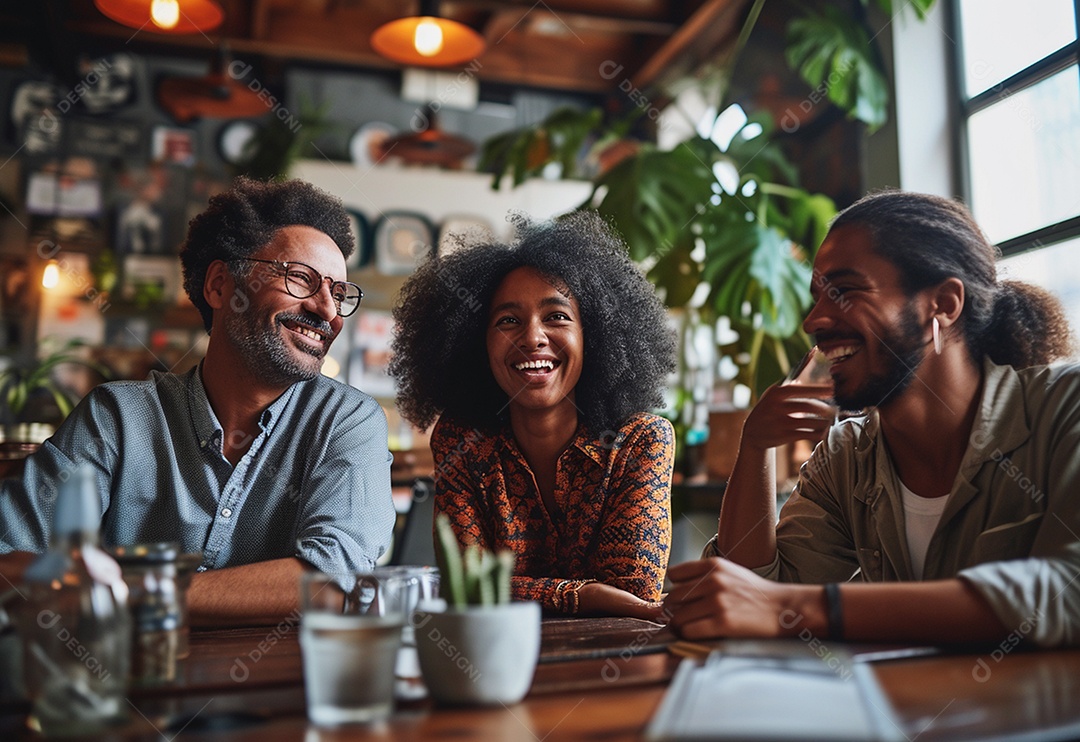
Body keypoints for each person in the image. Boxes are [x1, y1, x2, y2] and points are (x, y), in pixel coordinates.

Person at [666, 190, 1080, 647]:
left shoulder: (1065, 408)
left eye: (843, 292)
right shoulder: (846, 457)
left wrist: (789, 609)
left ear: (942, 304)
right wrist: (755, 449)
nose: (813, 321)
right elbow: (755, 596)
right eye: (817, 298)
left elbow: (1068, 589)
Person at [1, 177, 396, 625]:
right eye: (302, 279)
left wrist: (124, 591)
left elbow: (330, 583)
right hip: (130, 687)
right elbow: (9, 557)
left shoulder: (348, 421)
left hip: (278, 693)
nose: (327, 310)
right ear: (220, 286)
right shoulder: (118, 419)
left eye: (339, 294)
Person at [390, 211, 676, 618]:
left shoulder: (641, 441)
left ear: (592, 336)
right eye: (508, 321)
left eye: (557, 316)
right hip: (489, 661)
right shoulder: (461, 440)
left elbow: (633, 594)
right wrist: (584, 595)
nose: (532, 337)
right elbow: (467, 586)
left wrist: (520, 589)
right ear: (476, 345)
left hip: (613, 661)